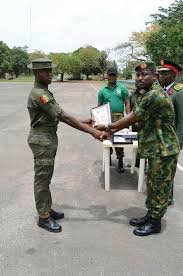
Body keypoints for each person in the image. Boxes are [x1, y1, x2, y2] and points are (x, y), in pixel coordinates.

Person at [97, 61, 180, 236]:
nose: (140, 78)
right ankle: (150, 215)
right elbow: (133, 103)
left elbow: (132, 117)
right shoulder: (147, 92)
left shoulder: (154, 96)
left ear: (154, 76)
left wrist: (108, 128)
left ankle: (155, 223)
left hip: (164, 148)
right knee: (152, 184)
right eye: (138, 75)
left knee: (159, 186)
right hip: (156, 146)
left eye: (145, 75)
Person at [27, 58, 107, 233]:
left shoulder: (44, 92)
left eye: (50, 70)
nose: (50, 73)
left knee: (46, 177)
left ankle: (46, 208)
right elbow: (62, 116)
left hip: (46, 138)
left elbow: (56, 116)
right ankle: (43, 216)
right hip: (42, 140)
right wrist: (92, 131)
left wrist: (85, 121)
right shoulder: (40, 94)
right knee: (42, 179)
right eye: (46, 71)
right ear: (37, 73)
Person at [158, 59, 183, 205]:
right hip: (160, 137)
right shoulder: (163, 90)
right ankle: (161, 194)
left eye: (164, 73)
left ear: (173, 75)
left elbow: (182, 119)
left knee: (168, 170)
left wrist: (179, 140)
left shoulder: (179, 92)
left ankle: (168, 197)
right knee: (160, 168)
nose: (160, 75)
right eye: (160, 73)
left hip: (171, 139)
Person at [98, 67, 131, 172]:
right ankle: (108, 156)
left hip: (119, 117)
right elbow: (99, 106)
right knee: (107, 138)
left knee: (119, 139)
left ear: (116, 75)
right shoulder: (102, 90)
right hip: (106, 117)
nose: (112, 77)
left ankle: (120, 159)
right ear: (107, 76)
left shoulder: (122, 88)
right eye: (110, 75)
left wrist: (129, 117)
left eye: (114, 75)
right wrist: (98, 119)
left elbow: (127, 103)